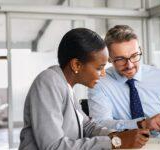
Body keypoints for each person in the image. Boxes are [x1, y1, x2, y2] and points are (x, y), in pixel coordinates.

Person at [19, 28, 150, 150]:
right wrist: (114, 142)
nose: (103, 74)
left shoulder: (66, 86)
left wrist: (118, 136)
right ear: (76, 65)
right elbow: (53, 146)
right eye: (99, 68)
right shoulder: (49, 82)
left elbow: (87, 125)